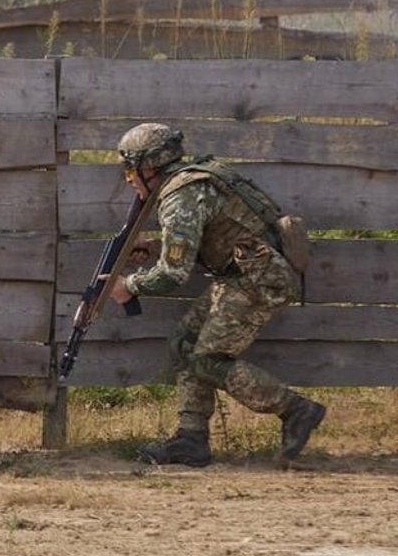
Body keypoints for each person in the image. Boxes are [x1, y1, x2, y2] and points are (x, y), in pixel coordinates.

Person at [107, 123, 325, 468]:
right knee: (185, 342)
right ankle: (191, 439)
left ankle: (295, 409)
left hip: (257, 280)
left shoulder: (180, 195)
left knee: (207, 361)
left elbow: (173, 274)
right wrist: (155, 245)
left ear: (150, 168)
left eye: (130, 170)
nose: (129, 179)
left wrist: (128, 286)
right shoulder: (192, 180)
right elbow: (205, 234)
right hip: (242, 274)